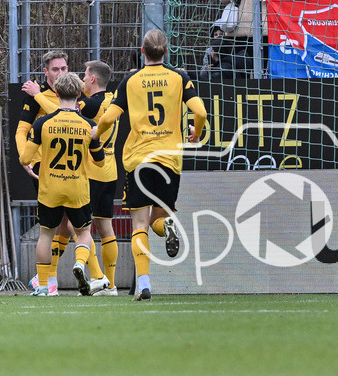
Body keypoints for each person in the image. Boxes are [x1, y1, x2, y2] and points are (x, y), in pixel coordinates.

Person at [93, 30, 208, 302]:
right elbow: (200, 112)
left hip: (138, 160)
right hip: (169, 160)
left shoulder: (130, 80)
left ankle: (144, 284)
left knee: (139, 225)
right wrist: (196, 133)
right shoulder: (179, 77)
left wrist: (97, 133)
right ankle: (168, 224)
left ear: (142, 51)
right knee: (159, 217)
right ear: (166, 52)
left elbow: (110, 116)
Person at [19, 73, 105, 297]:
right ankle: (79, 263)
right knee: (84, 232)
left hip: (50, 188)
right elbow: (100, 160)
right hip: (77, 189)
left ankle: (45, 286)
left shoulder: (42, 123)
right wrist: (95, 140)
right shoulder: (88, 125)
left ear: (56, 93)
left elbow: (25, 159)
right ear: (78, 94)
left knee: (46, 235)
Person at [17, 50, 81, 296]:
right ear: (46, 72)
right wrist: (26, 159)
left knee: (65, 226)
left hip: (73, 165)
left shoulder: (74, 91)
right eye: (56, 69)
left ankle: (46, 278)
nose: (62, 73)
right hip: (46, 167)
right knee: (68, 224)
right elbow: (21, 131)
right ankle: (95, 276)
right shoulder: (37, 95)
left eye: (64, 68)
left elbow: (66, 113)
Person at [79, 60, 120, 296]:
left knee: (82, 228)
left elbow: (63, 106)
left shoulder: (89, 105)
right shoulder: (113, 101)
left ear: (93, 79)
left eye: (85, 75)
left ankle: (99, 278)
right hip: (110, 171)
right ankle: (111, 285)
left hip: (92, 170)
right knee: (106, 227)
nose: (83, 79)